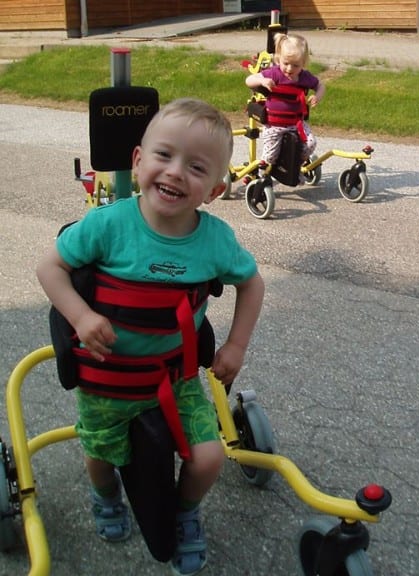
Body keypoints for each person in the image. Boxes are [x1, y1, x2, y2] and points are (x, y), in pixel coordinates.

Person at [36, 98, 265, 576]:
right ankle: (106, 497)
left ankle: (182, 513)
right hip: (106, 379)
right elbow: (50, 267)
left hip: (174, 378)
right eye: (164, 155)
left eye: (196, 167)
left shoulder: (215, 241)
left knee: (208, 458)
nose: (176, 172)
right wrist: (81, 316)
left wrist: (236, 345)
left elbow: (251, 283)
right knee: (102, 457)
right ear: (138, 161)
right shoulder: (108, 226)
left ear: (215, 189)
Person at [245, 32, 326, 165]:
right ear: (278, 59)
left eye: (296, 65)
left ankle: (295, 165)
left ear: (303, 63)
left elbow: (320, 85)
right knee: (270, 157)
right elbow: (249, 80)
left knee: (310, 144)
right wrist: (262, 80)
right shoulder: (274, 73)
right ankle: (264, 172)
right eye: (286, 63)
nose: (289, 69)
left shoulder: (304, 77)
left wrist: (317, 96)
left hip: (297, 123)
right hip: (274, 124)